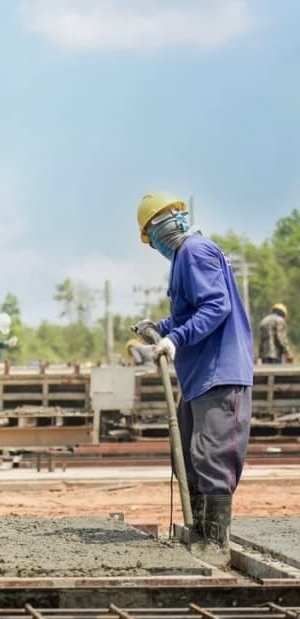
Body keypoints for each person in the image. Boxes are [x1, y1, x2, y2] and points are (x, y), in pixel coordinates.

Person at [135, 191, 252, 565]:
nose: (155, 244)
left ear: (159, 230)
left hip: (219, 371)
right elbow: (191, 313)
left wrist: (175, 338)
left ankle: (215, 541)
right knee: (188, 455)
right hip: (200, 374)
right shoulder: (185, 259)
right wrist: (162, 328)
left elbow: (217, 306)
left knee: (210, 454)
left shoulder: (195, 251)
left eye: (151, 236)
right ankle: (200, 532)